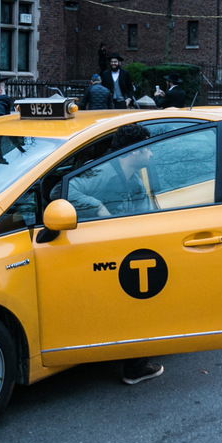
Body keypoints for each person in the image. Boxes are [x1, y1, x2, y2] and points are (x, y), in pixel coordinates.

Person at [65, 124, 163, 385]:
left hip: (119, 246)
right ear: (132, 152)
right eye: (146, 149)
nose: (151, 155)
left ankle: (129, 359)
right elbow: (63, 191)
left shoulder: (131, 179)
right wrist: (95, 206)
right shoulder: (105, 172)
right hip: (97, 248)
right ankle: (135, 365)